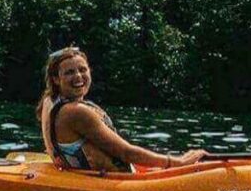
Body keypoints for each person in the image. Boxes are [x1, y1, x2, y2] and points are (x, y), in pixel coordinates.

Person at [36, 46, 206, 173]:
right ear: (56, 79)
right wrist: (178, 162)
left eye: (82, 70)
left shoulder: (49, 101)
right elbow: (126, 152)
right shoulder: (76, 112)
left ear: (90, 71)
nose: (78, 77)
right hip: (107, 182)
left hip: (85, 174)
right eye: (69, 72)